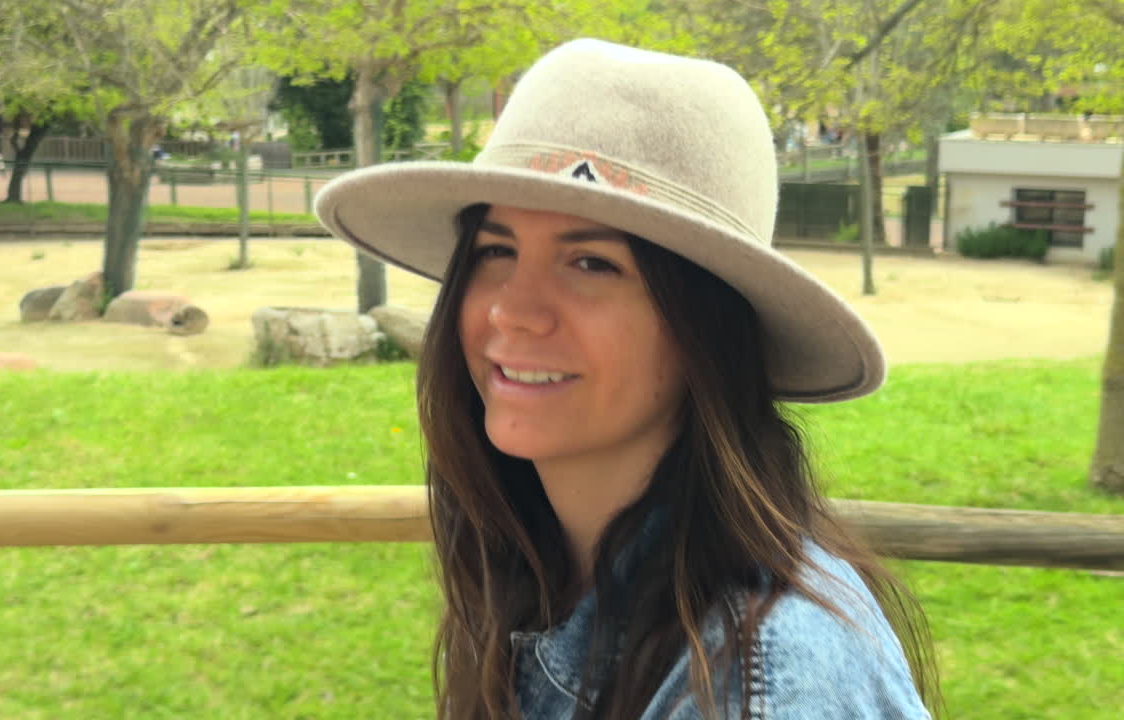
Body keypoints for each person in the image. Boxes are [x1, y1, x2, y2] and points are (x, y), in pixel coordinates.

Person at [315, 39, 939, 720]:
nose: (511, 311)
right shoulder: (540, 576)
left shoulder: (759, 684)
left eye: (591, 264)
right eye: (497, 250)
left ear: (706, 330)